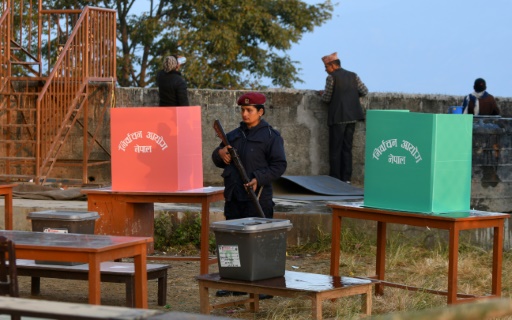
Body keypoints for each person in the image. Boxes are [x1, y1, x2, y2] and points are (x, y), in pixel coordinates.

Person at [211, 92, 287, 299]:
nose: (245, 114)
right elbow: (218, 157)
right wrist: (219, 154)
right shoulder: (233, 135)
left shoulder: (271, 136)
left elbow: (279, 165)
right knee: (231, 243)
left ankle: (264, 286)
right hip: (234, 196)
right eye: (243, 110)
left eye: (249, 110)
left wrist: (258, 178)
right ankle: (233, 282)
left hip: (258, 196)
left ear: (260, 112)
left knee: (260, 243)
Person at [320, 52, 368, 184]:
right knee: (347, 148)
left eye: (326, 67)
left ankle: (335, 178)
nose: (325, 70)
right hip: (352, 116)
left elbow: (326, 98)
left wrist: (322, 94)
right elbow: (364, 91)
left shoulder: (331, 78)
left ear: (333, 66)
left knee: (335, 149)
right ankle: (346, 178)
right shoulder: (353, 75)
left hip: (338, 117)